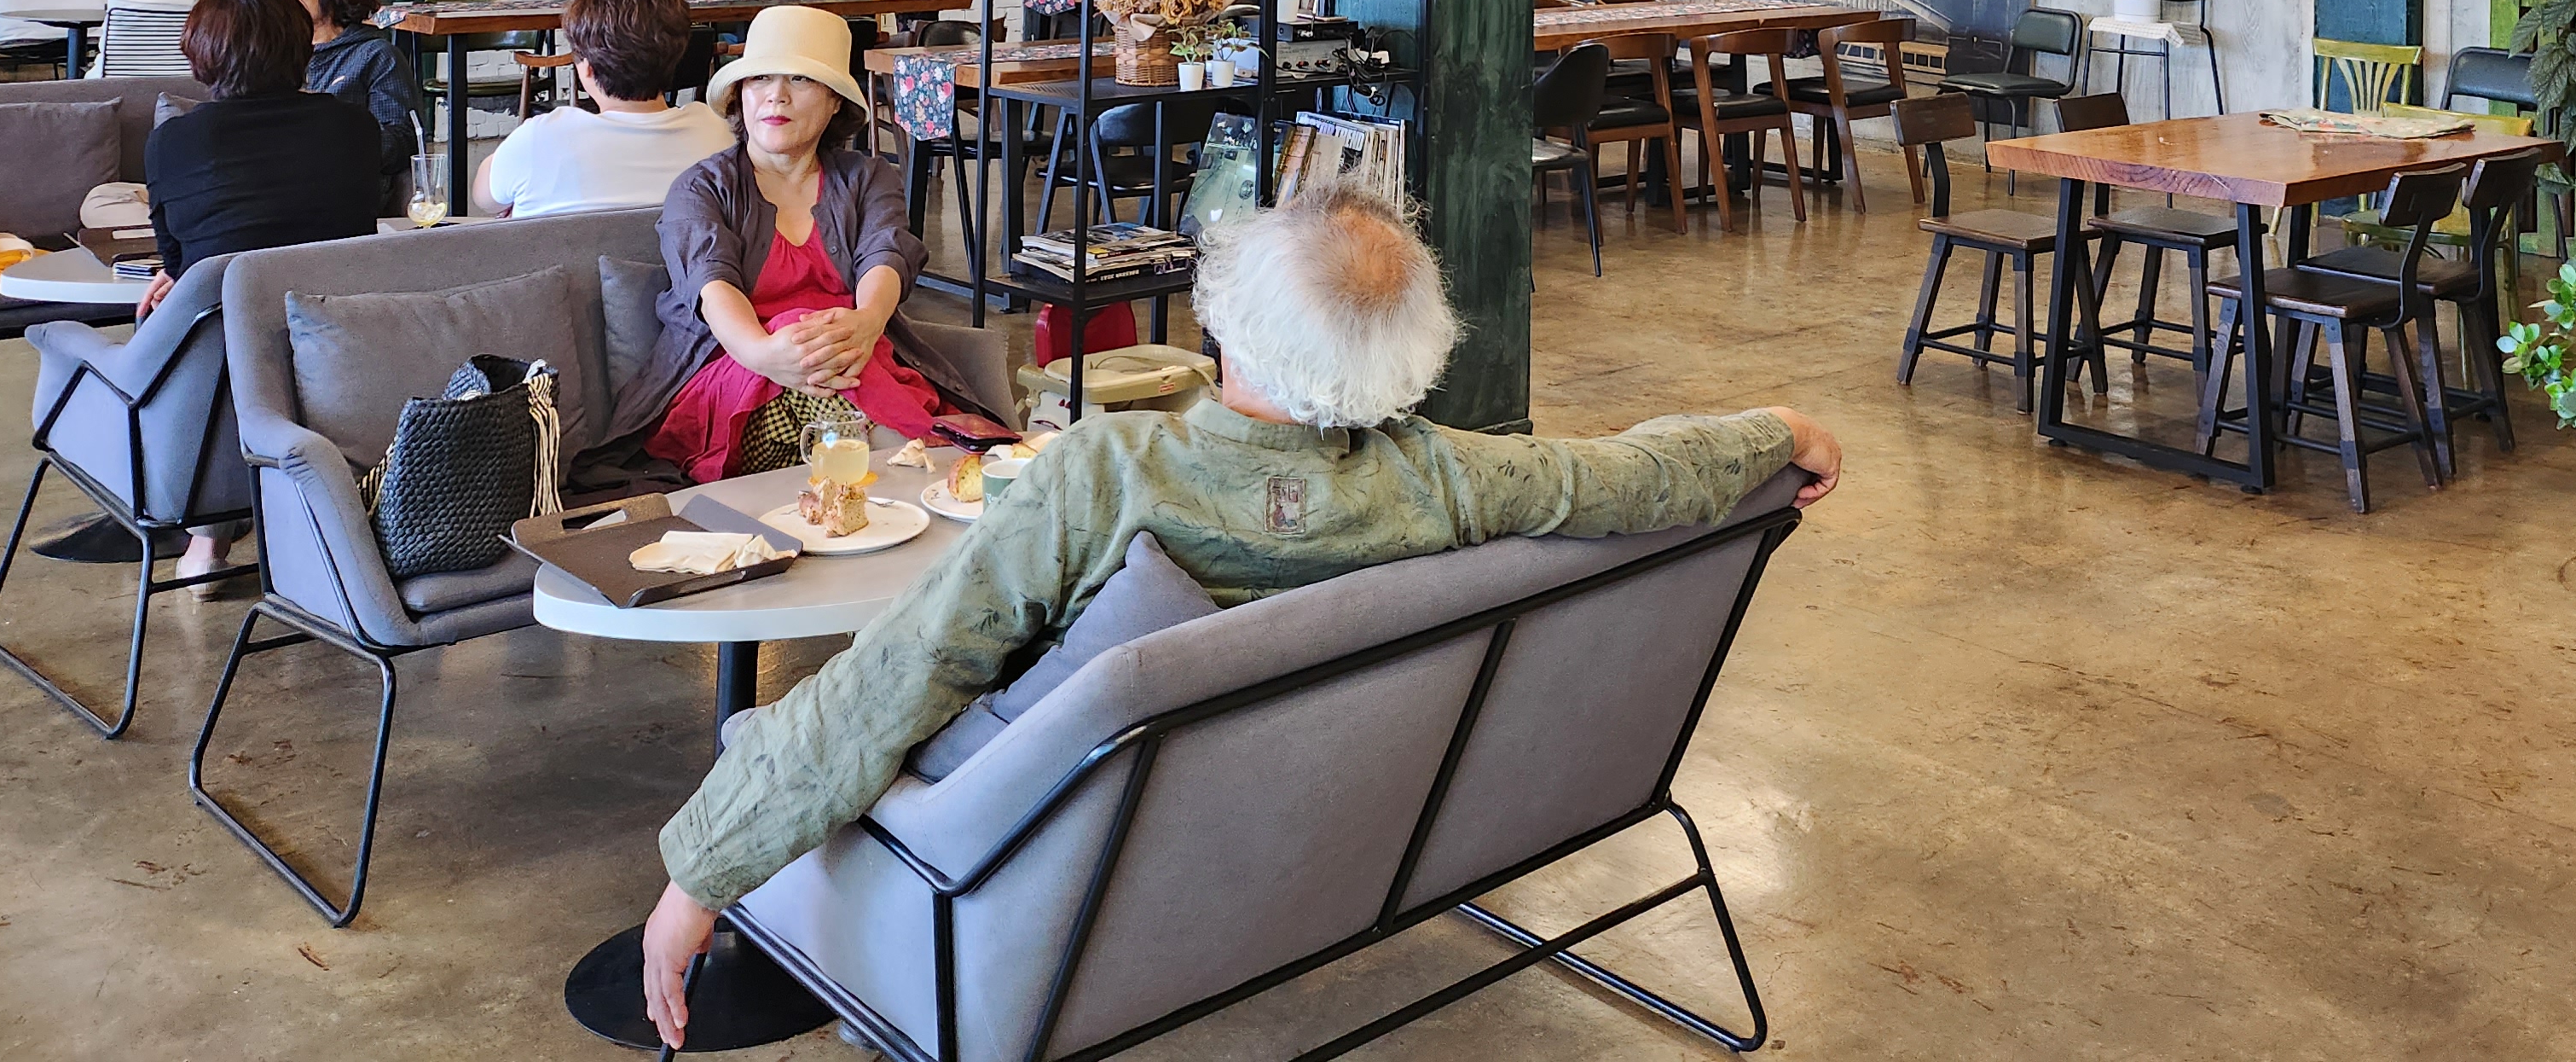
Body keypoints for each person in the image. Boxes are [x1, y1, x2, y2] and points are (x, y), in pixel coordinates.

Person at [635, 171, 1843, 1047]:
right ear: (1410, 351)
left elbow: (894, 681)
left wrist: (699, 877)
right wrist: (1774, 431)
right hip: (1304, 856)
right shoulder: (1450, 482)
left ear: (1222, 315)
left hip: (1014, 889)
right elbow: (1629, 476)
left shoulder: (1108, 473)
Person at [605, 5, 993, 482]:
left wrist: (868, 323)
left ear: (835, 102)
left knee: (824, 354)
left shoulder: (867, 177)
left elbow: (886, 252)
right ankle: (908, 469)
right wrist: (764, 355)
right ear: (741, 95)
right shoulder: (701, 187)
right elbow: (710, 282)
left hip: (857, 362)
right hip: (733, 373)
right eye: (760, 78)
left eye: (801, 80)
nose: (777, 96)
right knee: (796, 329)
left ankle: (874, 476)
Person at [142, 0, 384, 575]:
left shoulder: (173, 142)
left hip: (225, 368)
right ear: (301, 47)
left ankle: (207, 539)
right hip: (342, 352)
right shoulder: (353, 127)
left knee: (200, 329)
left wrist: (186, 277)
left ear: (202, 55)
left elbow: (181, 264)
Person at [478, 0, 731, 218]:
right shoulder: (720, 134)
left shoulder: (538, 139)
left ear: (587, 68)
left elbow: (485, 200)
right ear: (677, 57)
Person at [269, 0, 422, 220]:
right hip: (278, 189)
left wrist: (335, 136)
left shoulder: (375, 56)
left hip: (341, 196)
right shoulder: (273, 54)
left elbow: (403, 141)